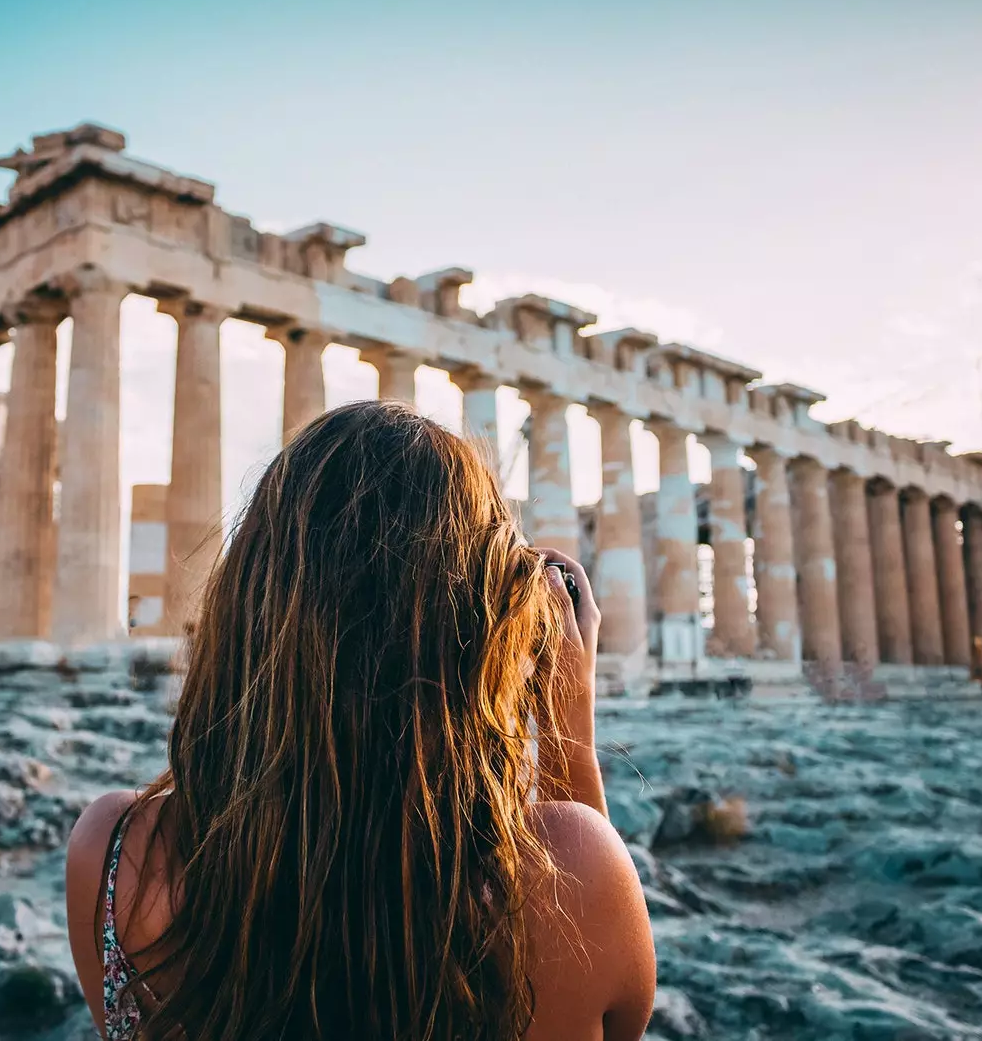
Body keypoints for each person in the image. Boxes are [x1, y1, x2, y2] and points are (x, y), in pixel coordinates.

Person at [65, 400, 654, 1041]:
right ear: (481, 624)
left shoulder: (113, 852)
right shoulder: (571, 869)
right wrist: (568, 720)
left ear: (249, 593)